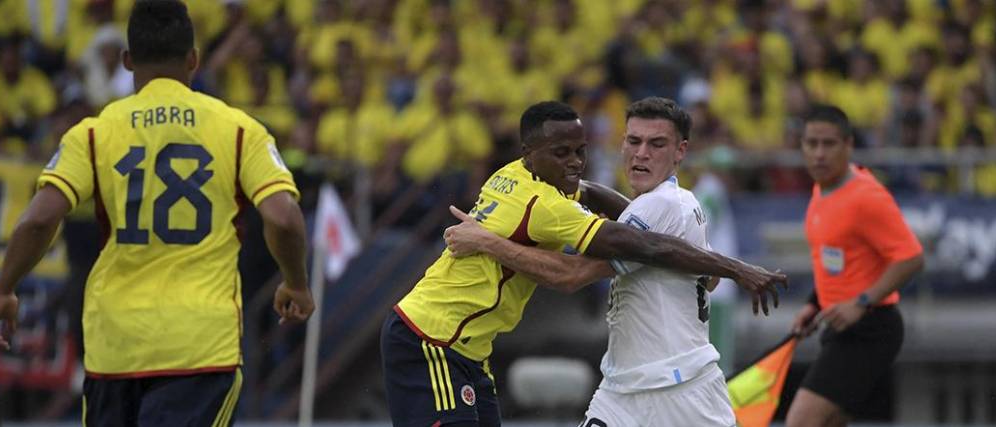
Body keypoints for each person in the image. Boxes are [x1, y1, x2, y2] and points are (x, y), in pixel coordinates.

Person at [0, 1, 315, 425]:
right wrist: (295, 283)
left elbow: (38, 219)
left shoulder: (93, 132)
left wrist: (4, 289)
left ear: (128, 61)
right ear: (194, 59)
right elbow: (284, 217)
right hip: (201, 347)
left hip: (115, 347)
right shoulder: (239, 130)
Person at [381, 100, 786, 426]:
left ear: (681, 151)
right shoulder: (556, 203)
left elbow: (606, 243)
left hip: (676, 385)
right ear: (531, 154)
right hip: (436, 338)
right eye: (633, 142)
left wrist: (487, 240)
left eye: (656, 144)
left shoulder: (522, 176)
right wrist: (731, 267)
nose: (574, 162)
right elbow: (625, 244)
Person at [785, 105, 924, 427]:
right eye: (811, 143)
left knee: (801, 422)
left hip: (871, 329)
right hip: (838, 327)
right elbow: (839, 262)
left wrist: (860, 303)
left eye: (829, 144)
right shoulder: (822, 188)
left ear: (848, 145)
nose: (819, 153)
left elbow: (911, 257)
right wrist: (814, 304)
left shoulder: (866, 196)